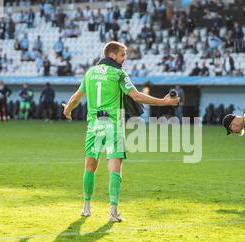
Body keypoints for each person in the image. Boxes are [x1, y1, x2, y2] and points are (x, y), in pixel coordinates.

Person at [62, 41, 179, 222]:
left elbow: (76, 97)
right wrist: (164, 102)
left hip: (94, 125)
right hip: (112, 124)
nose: (124, 59)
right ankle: (113, 213)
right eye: (123, 55)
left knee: (90, 166)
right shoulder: (118, 74)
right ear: (113, 55)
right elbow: (136, 96)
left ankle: (86, 208)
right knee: (115, 166)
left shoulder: (90, 73)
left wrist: (67, 110)